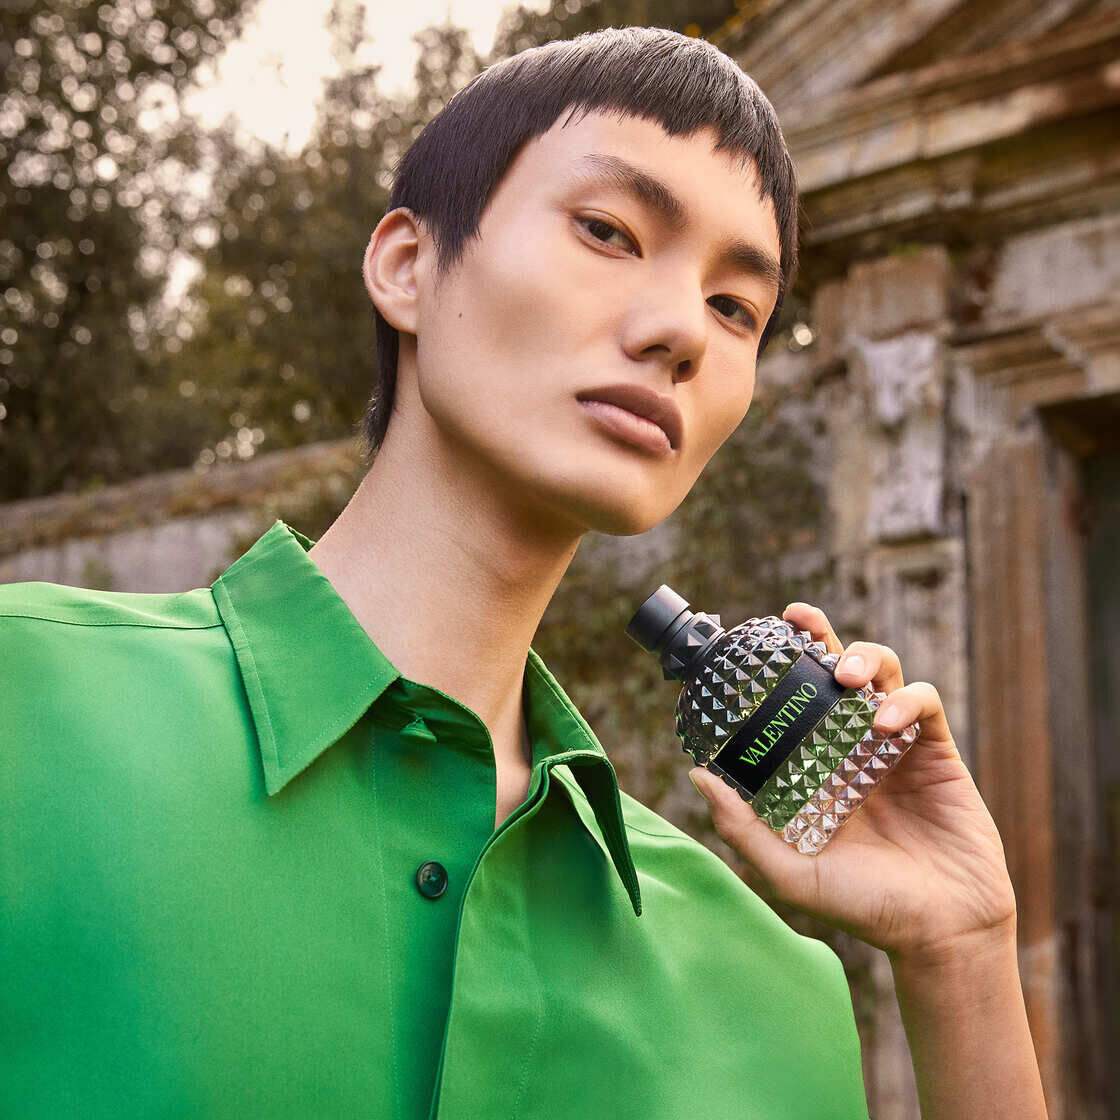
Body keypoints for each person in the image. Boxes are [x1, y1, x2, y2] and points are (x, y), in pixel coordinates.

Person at [0, 25, 1046, 1120]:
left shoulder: (769, 990)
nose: (682, 331)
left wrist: (962, 952)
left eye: (736, 308)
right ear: (408, 266)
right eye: (608, 230)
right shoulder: (32, 709)